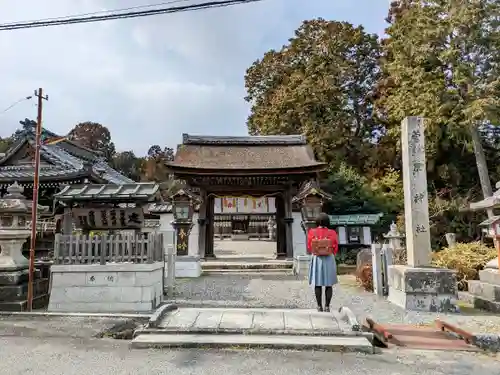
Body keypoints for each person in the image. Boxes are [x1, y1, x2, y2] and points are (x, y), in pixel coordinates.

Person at [307, 212, 339, 312]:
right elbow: (335, 247)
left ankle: (319, 306)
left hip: (317, 258)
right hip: (329, 258)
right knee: (329, 284)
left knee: (317, 283)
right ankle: (327, 306)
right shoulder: (332, 232)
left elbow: (309, 246)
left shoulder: (312, 232)